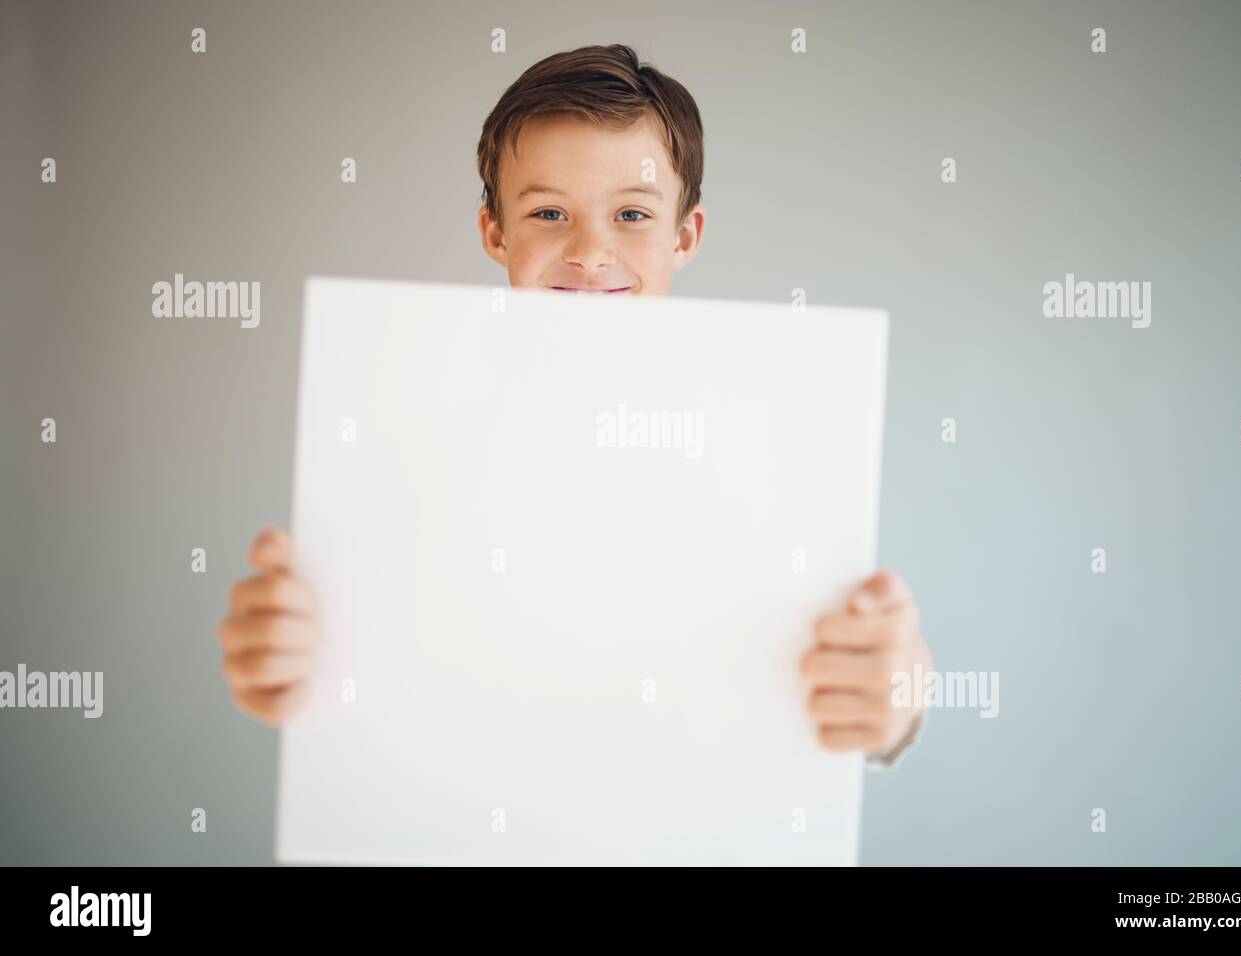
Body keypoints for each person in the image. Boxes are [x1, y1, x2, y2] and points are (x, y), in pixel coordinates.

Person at [218, 44, 931, 769]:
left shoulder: (770, 441)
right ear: (495, 231)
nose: (591, 252)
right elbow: (365, 673)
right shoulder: (398, 437)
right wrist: (286, 664)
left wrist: (892, 707)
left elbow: (832, 674)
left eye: (631, 213)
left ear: (685, 235)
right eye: (550, 212)